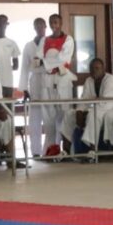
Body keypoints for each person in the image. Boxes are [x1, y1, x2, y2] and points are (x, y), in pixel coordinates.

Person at [60, 58, 113, 154]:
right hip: (98, 109)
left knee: (93, 115)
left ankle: (92, 151)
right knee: (69, 114)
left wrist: (87, 112)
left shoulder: (111, 81)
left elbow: (106, 104)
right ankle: (65, 151)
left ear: (103, 69)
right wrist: (80, 111)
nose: (94, 71)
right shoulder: (89, 80)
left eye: (97, 68)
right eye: (91, 68)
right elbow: (85, 99)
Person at [38, 14, 76, 157]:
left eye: (56, 22)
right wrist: (48, 61)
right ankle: (49, 150)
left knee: (65, 113)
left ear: (61, 23)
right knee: (48, 115)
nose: (54, 25)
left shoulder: (68, 39)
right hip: (47, 79)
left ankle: (67, 150)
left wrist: (47, 62)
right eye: (51, 22)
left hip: (63, 78)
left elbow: (63, 58)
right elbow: (38, 58)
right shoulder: (44, 40)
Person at [18, 18, 47, 158]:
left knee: (49, 117)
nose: (40, 28)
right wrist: (23, 88)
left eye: (42, 26)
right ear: (34, 28)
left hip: (48, 81)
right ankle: (35, 151)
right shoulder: (28, 46)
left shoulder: (50, 42)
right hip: (34, 81)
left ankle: (50, 149)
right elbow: (24, 68)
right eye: (37, 26)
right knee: (35, 118)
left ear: (45, 27)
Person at [0, 15, 21, 98]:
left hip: (7, 81)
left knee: (7, 107)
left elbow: (16, 66)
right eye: (0, 22)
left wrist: (4, 67)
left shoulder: (12, 43)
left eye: (4, 22)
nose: (2, 24)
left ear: (7, 24)